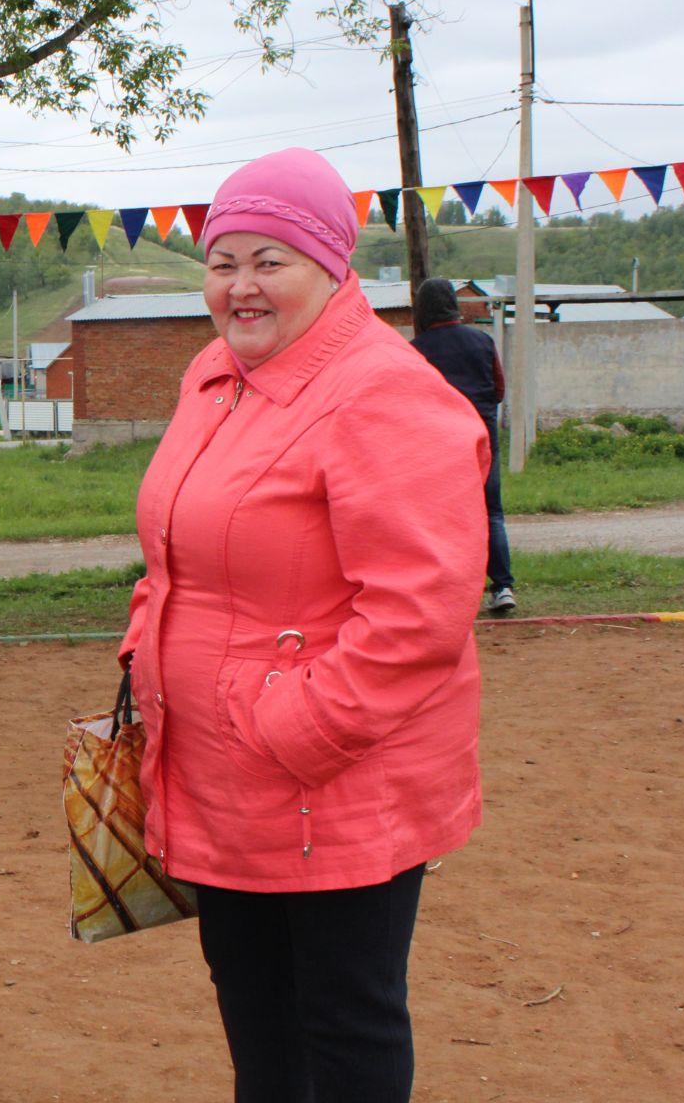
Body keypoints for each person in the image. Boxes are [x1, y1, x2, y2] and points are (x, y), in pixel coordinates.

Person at [119, 147, 490, 1103]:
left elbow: (420, 612)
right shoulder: (214, 374)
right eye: (221, 262)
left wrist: (296, 730)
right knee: (256, 1012)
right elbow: (177, 548)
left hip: (331, 777)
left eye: (268, 261)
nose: (239, 288)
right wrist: (144, 659)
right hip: (215, 765)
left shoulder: (383, 392)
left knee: (342, 1022)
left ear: (331, 267)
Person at [412, 277, 515, 613]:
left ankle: (449, 594)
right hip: (482, 438)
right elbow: (499, 390)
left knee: (438, 518)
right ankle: (502, 588)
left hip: (435, 444)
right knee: (491, 513)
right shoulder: (482, 342)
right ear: (454, 306)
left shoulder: (415, 351)